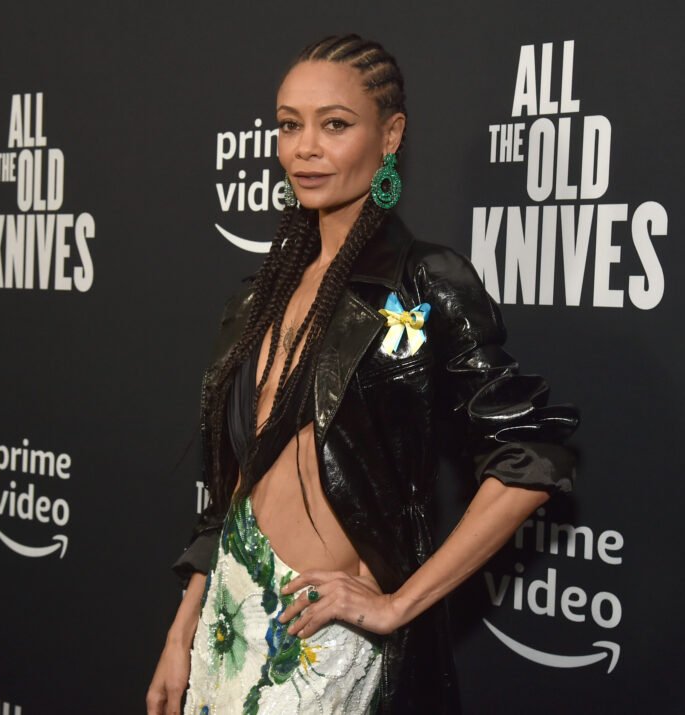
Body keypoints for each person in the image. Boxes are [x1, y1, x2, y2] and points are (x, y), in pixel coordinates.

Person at [147, 33, 579, 715]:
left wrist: (396, 602)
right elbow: (231, 486)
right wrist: (181, 629)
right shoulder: (260, 295)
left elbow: (533, 455)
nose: (305, 147)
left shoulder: (426, 281)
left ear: (390, 135)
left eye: (335, 124)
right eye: (290, 125)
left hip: (322, 642)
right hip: (226, 624)